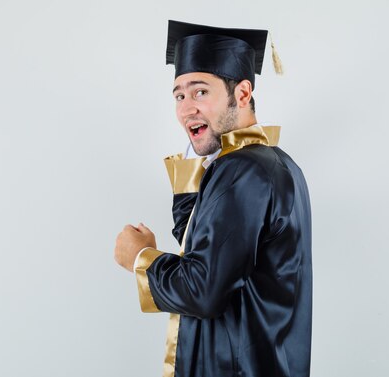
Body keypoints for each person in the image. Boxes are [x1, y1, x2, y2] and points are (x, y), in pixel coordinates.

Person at [114, 20, 312, 377]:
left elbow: (201, 290)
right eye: (179, 95)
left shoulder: (243, 170)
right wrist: (199, 163)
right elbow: (205, 251)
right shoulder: (276, 164)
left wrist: (140, 257)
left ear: (242, 94)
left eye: (200, 92)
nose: (186, 108)